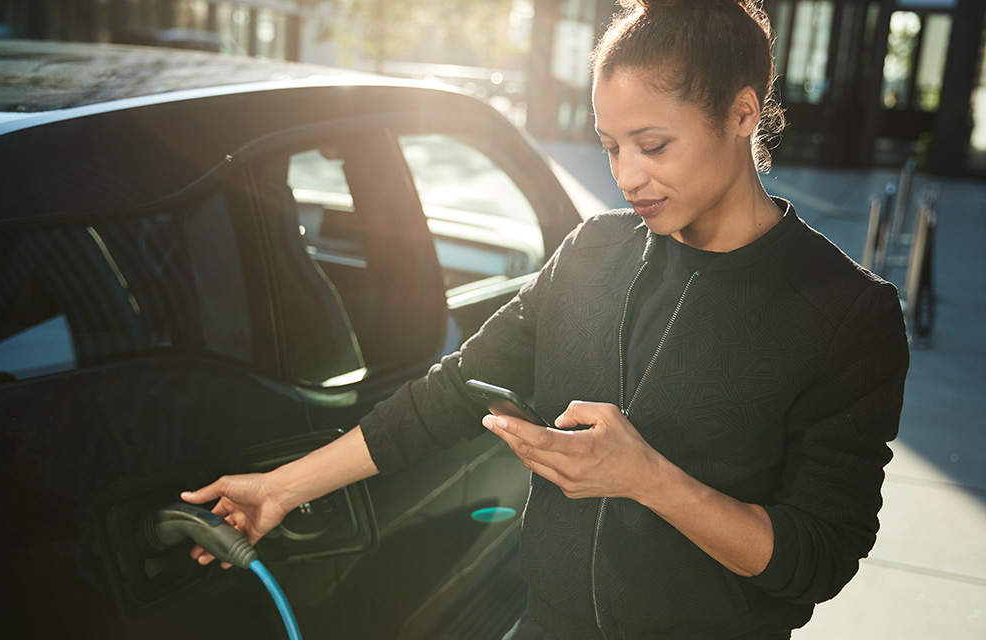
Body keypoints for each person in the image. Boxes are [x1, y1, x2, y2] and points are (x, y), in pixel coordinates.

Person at [181, 1, 910, 637]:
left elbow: (817, 558)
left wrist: (649, 478)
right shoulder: (591, 252)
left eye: (653, 146)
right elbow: (452, 392)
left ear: (742, 114)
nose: (625, 177)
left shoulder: (846, 314)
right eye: (610, 146)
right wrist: (278, 489)